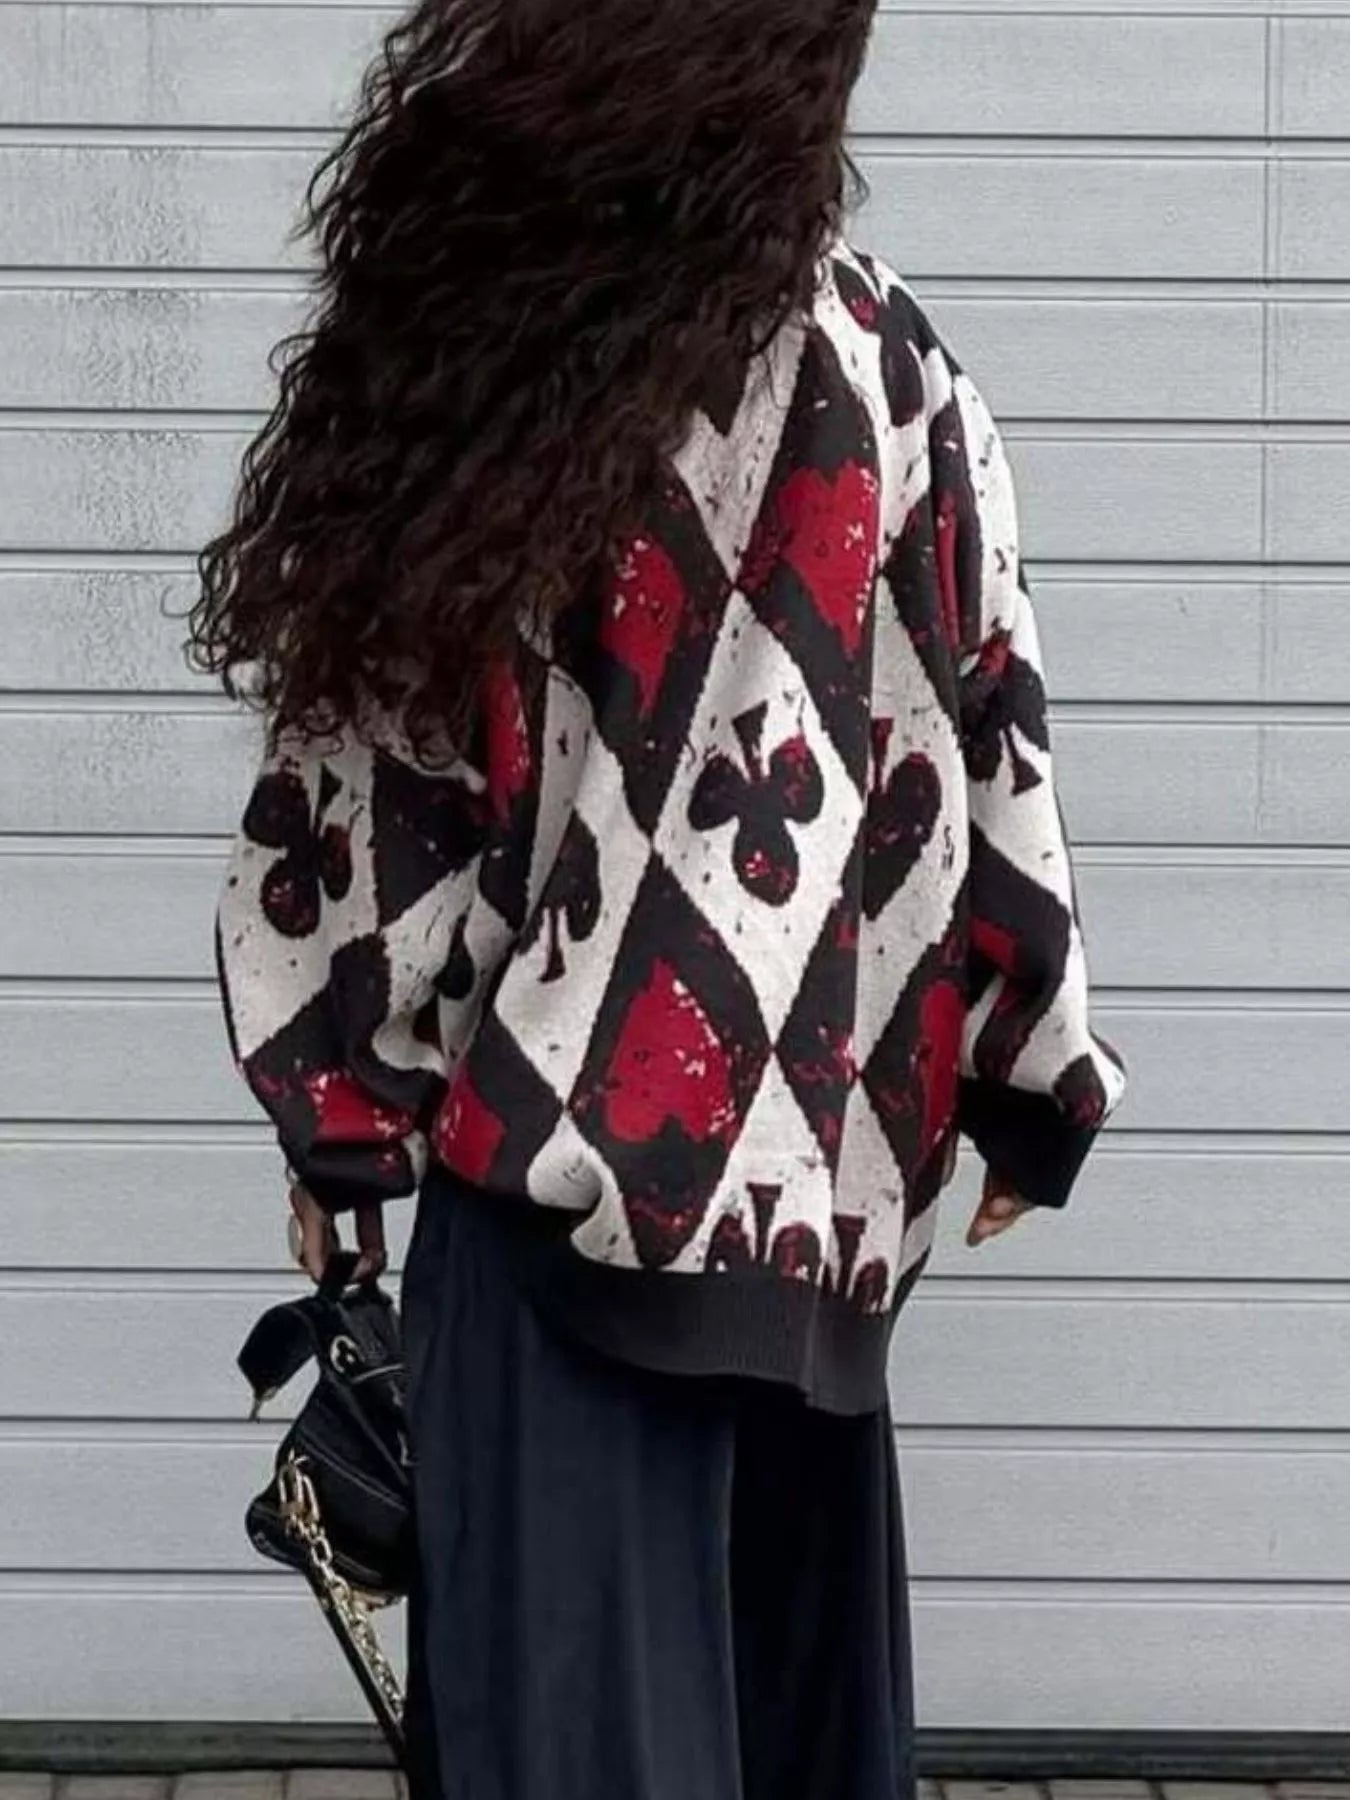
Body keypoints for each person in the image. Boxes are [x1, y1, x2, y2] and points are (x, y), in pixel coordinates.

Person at [194, 0, 1127, 1794]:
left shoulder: (509, 345)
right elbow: (982, 739)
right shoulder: (899, 366)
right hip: (811, 1232)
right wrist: (1032, 1071)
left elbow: (381, 786)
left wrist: (336, 1118)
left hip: (555, 1196)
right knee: (792, 1746)